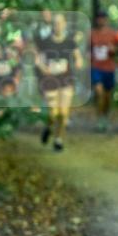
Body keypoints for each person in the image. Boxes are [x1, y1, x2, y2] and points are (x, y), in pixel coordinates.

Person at [34, 12, 83, 151]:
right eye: (55, 23)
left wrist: (79, 62)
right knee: (53, 113)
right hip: (50, 80)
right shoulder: (46, 41)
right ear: (52, 25)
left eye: (61, 23)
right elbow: (37, 59)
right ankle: (49, 127)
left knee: (63, 112)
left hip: (66, 79)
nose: (58, 26)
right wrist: (44, 68)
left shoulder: (70, 41)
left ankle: (58, 139)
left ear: (65, 24)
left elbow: (78, 56)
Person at [89, 10, 117, 132]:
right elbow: (87, 49)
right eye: (98, 18)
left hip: (109, 68)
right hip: (96, 68)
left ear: (106, 20)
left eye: (102, 18)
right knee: (98, 92)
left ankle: (105, 116)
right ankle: (99, 118)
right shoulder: (92, 34)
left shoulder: (113, 34)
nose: (100, 20)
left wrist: (113, 50)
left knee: (107, 96)